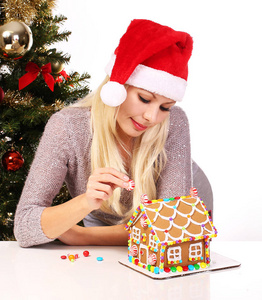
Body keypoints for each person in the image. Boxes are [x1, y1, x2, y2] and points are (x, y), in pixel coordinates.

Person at [14, 19, 213, 248]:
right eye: (144, 99)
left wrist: (81, 236)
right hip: (106, 221)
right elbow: (24, 228)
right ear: (117, 86)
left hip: (190, 203)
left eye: (165, 107)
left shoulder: (175, 122)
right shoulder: (67, 127)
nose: (152, 116)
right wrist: (85, 202)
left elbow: (169, 229)